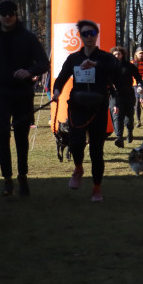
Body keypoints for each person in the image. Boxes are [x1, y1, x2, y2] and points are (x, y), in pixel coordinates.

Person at [0, 0, 50, 197]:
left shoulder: (27, 37)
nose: (7, 17)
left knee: (21, 137)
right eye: (4, 14)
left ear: (16, 15)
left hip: (23, 92)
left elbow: (44, 63)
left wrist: (29, 70)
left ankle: (22, 177)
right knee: (2, 135)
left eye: (11, 14)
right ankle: (7, 180)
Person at [52, 20, 120, 202]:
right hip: (77, 106)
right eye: (85, 34)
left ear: (96, 35)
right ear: (80, 37)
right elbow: (62, 77)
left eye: (92, 33)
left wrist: (96, 65)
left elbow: (117, 71)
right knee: (76, 143)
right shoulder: (73, 58)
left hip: (98, 107)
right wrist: (56, 91)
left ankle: (96, 188)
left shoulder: (105, 57)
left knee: (97, 151)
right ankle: (78, 167)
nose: (88, 37)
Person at [109, 46, 139, 148]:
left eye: (119, 54)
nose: (117, 56)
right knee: (117, 116)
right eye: (115, 55)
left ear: (122, 55)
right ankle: (119, 138)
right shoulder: (110, 67)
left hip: (128, 94)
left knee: (129, 118)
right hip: (115, 95)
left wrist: (139, 85)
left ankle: (130, 131)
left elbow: (138, 77)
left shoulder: (129, 66)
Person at [132, 48, 143, 127]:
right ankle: (138, 120)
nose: (141, 54)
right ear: (136, 54)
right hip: (136, 84)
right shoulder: (132, 63)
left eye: (142, 53)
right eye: (140, 53)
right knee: (137, 102)